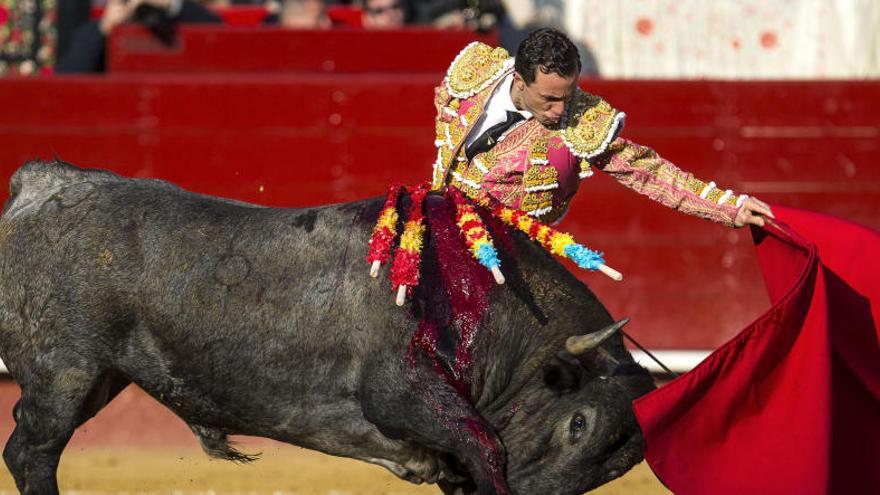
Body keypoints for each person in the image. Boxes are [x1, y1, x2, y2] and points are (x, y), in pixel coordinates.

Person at [431, 28, 773, 228]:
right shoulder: (475, 75)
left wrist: (729, 206)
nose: (561, 110)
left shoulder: (583, 123)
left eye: (568, 95)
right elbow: (443, 110)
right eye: (549, 99)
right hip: (435, 222)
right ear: (519, 80)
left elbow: (647, 171)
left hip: (509, 256)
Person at [55, 0, 221, 73]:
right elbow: (68, 78)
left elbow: (221, 33)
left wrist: (171, 4)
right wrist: (105, 27)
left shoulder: (176, 21)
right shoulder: (96, 30)